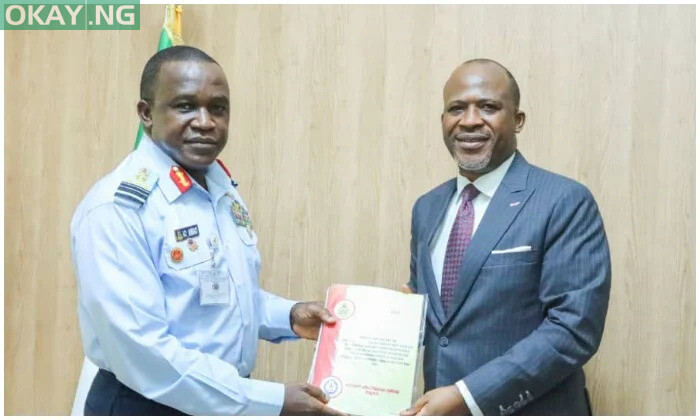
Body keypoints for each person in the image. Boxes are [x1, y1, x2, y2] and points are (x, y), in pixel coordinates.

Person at [70, 45, 343, 416]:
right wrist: (270, 401)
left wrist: (290, 316)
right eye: (185, 106)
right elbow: (145, 352)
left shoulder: (220, 189)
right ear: (146, 114)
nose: (205, 121)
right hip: (147, 404)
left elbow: (218, 294)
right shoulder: (118, 208)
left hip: (217, 401)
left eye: (218, 108)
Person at [400, 59, 611, 416]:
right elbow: (443, 322)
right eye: (456, 108)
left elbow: (574, 329)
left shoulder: (563, 200)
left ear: (517, 120)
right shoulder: (427, 208)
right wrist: (395, 319)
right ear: (443, 122)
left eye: (488, 107)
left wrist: (467, 396)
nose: (469, 120)